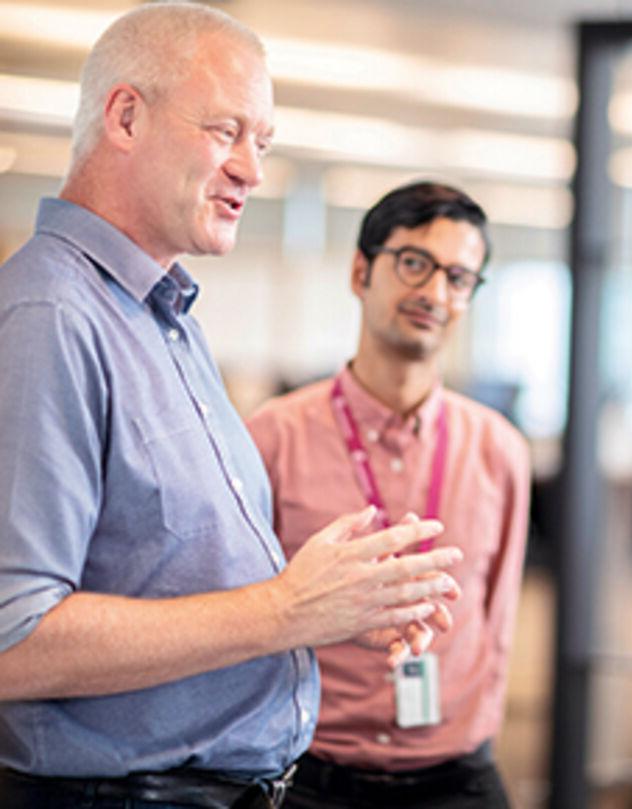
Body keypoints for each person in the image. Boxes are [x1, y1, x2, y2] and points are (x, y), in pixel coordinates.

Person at [0, 6, 463, 808]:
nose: (252, 169)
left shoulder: (162, 318)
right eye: (226, 130)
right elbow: (14, 639)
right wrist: (286, 608)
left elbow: (162, 574)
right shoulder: (51, 317)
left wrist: (335, 601)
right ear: (126, 116)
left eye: (264, 142)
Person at [246, 181, 531, 809]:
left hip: (456, 778)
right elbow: (244, 614)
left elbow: (500, 624)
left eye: (459, 278)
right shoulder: (272, 437)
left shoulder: (500, 450)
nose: (434, 292)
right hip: (310, 776)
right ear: (360, 271)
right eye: (413, 263)